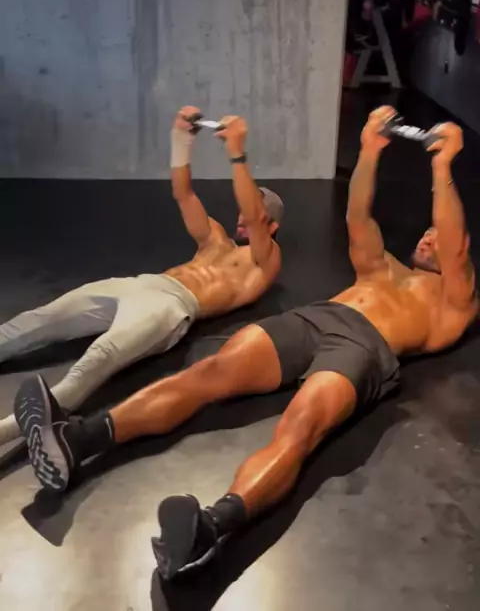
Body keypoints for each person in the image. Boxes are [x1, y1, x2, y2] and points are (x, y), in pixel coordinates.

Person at [15, 107, 478, 582]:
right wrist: (368, 150)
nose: (429, 237)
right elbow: (357, 214)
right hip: (314, 318)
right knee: (205, 375)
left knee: (299, 430)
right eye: (427, 231)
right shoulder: (382, 267)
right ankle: (77, 441)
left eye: (437, 235)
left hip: (363, 347)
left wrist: (442, 168)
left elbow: (456, 244)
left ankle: (209, 528)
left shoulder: (454, 301)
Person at [0, 108, 283, 446]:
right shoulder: (216, 238)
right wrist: (181, 139)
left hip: (172, 306)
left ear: (272, 226)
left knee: (98, 358)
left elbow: (254, 215)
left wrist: (237, 153)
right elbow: (184, 194)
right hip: (142, 284)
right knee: (42, 319)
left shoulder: (266, 261)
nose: (243, 218)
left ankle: (6, 431)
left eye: (255, 214)